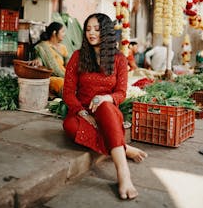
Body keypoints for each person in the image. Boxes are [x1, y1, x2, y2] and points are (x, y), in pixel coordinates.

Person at [62, 13, 147, 200]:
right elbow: (68, 92)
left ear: (106, 32)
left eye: (97, 29)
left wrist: (106, 98)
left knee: (105, 106)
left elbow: (121, 93)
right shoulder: (78, 57)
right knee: (69, 126)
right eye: (88, 29)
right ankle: (122, 147)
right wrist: (83, 113)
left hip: (107, 110)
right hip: (82, 112)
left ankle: (123, 173)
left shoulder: (119, 60)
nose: (91, 33)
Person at [29, 21, 69, 97]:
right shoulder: (42, 47)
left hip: (65, 75)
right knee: (62, 84)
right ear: (54, 32)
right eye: (62, 32)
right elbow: (39, 59)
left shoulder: (63, 47)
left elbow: (69, 63)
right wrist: (37, 61)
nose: (64, 34)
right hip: (52, 77)